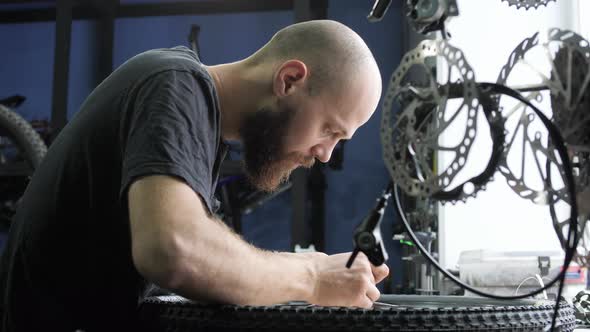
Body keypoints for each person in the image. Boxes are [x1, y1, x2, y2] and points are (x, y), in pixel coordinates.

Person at [0, 19, 387, 331]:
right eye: (330, 130)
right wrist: (313, 276)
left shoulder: (201, 126)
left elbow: (205, 262)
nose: (324, 154)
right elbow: (174, 251)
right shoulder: (174, 84)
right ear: (288, 80)